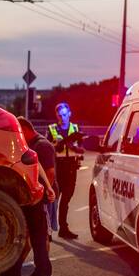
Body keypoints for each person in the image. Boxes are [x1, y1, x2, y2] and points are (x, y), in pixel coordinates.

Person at [4, 117, 58, 276]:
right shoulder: (26, 148)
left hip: (22, 201)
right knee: (39, 245)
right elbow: (38, 165)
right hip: (33, 200)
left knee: (17, 242)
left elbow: (42, 168)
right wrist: (48, 189)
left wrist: (49, 189)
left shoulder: (12, 147)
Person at [48, 102, 84, 240]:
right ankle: (49, 230)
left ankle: (63, 228)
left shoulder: (75, 128)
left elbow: (82, 150)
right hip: (58, 168)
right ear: (56, 115)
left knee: (65, 201)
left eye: (64, 114)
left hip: (71, 169)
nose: (62, 117)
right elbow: (47, 148)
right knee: (54, 201)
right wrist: (56, 146)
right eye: (59, 115)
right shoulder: (51, 129)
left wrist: (74, 148)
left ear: (69, 114)